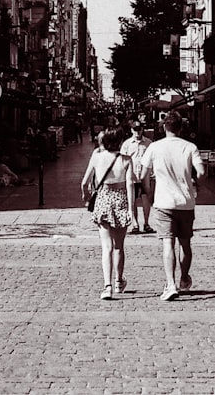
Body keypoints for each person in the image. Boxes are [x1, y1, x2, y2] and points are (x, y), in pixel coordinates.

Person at [140, 111, 204, 301]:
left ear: (164, 127)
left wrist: (148, 193)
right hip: (185, 202)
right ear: (181, 128)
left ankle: (170, 284)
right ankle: (184, 279)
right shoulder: (190, 147)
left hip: (163, 202)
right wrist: (194, 184)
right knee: (185, 243)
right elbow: (201, 172)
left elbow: (143, 175)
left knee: (168, 243)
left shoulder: (154, 147)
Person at [81, 126, 135, 300]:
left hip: (103, 199)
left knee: (106, 247)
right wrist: (131, 210)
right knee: (119, 246)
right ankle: (119, 281)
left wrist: (86, 195)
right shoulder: (126, 160)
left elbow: (84, 182)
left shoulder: (97, 157)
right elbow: (130, 186)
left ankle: (107, 286)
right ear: (119, 141)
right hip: (120, 200)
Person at [121, 120, 154, 234]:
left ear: (142, 130)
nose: (137, 132)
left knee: (146, 200)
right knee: (132, 201)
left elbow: (152, 158)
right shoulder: (127, 144)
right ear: (131, 130)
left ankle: (146, 223)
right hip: (132, 177)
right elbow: (122, 161)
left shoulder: (149, 143)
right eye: (135, 130)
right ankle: (135, 224)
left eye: (139, 129)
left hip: (145, 176)